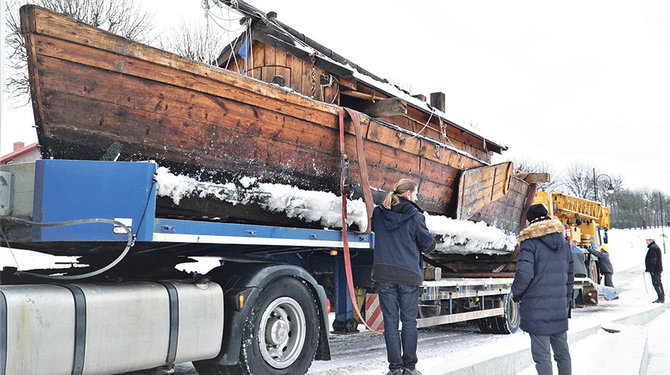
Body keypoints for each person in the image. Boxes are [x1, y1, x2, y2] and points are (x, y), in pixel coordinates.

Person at [371, 178, 436, 375]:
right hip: (407, 275)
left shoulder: (378, 212)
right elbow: (426, 244)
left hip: (384, 273)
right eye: (415, 194)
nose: (416, 198)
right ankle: (409, 367)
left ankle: (395, 368)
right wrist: (432, 241)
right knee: (409, 322)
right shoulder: (415, 216)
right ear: (407, 194)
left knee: (390, 323)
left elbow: (375, 229)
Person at [512, 203, 574, 375]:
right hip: (558, 308)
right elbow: (570, 277)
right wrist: (565, 300)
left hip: (536, 310)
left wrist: (516, 293)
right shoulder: (563, 243)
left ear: (530, 220)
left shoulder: (529, 243)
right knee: (562, 353)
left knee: (542, 356)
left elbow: (524, 274)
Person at [645, 238, 664, 303]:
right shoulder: (655, 247)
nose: (646, 242)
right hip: (657, 269)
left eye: (647, 240)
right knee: (658, 283)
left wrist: (651, 270)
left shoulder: (652, 248)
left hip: (655, 270)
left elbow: (653, 260)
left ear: (651, 240)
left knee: (656, 283)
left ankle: (661, 298)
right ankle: (662, 296)